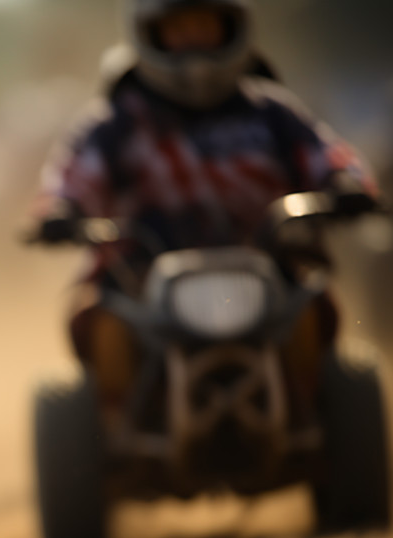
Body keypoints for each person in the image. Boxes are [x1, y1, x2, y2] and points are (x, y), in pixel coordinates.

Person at [31, 0, 380, 430]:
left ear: (232, 29)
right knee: (97, 319)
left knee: (316, 306)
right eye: (180, 29)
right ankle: (120, 427)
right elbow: (71, 177)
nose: (194, 42)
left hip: (264, 257)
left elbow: (329, 156)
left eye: (205, 26)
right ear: (150, 35)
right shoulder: (116, 121)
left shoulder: (270, 110)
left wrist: (347, 186)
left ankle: (312, 414)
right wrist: (60, 211)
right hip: (143, 271)